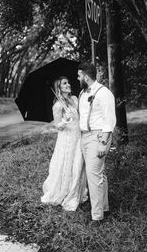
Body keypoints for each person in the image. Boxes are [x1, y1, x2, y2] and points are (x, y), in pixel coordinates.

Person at [41, 76, 87, 211]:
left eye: (68, 82)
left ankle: (77, 191)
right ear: (59, 88)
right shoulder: (58, 105)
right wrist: (65, 120)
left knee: (78, 163)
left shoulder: (74, 99)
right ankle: (65, 192)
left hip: (78, 136)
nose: (68, 85)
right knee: (67, 164)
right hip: (66, 139)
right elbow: (57, 125)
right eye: (64, 83)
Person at [77, 63, 116, 222]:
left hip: (98, 137)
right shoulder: (81, 93)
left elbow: (110, 119)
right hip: (85, 137)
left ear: (86, 77)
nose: (77, 78)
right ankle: (104, 208)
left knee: (94, 177)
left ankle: (97, 217)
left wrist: (103, 142)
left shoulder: (104, 93)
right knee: (99, 175)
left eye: (79, 75)